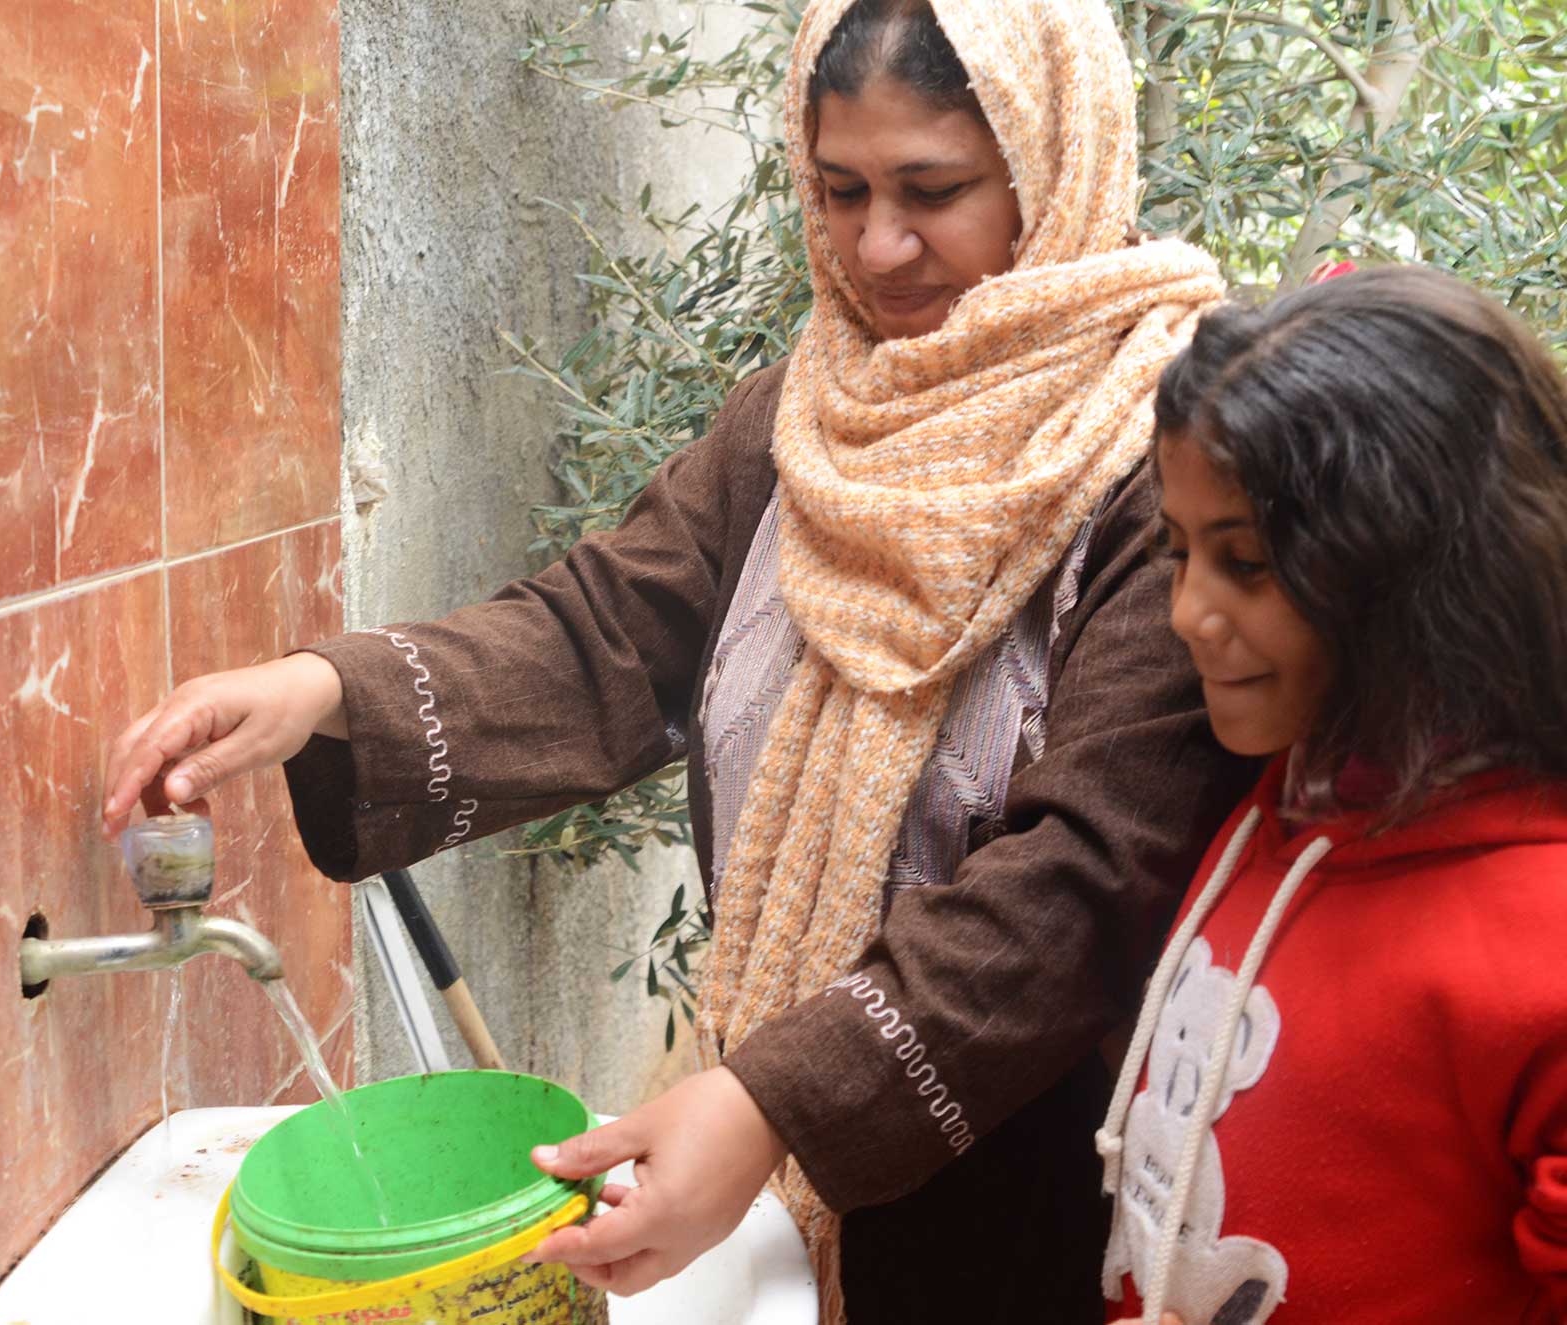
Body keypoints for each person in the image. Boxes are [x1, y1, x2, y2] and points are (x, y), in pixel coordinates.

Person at [103, 0, 1254, 1318]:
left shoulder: (1166, 457)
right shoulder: (801, 421)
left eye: (933, 191)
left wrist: (776, 1100)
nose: (879, 246)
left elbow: (1088, 874)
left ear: (1055, 169)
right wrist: (324, 693)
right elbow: (607, 634)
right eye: (840, 190)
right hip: (802, 1155)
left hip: (1055, 1191)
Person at [1098, 265, 1567, 1323]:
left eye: (1246, 563)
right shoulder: (1277, 813)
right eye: (1176, 552)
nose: (1185, 613)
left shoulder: (1544, 937)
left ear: (1413, 568)